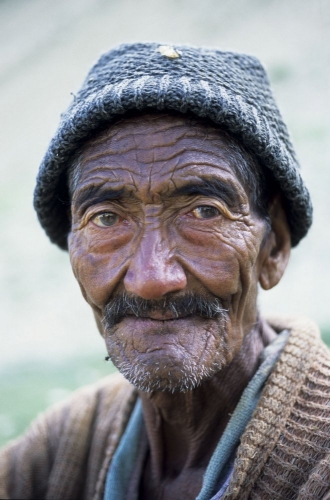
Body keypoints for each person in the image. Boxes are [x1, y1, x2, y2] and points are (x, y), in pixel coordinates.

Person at [0, 42, 329, 500]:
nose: (152, 279)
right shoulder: (58, 452)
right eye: (107, 218)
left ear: (273, 245)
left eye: (203, 212)